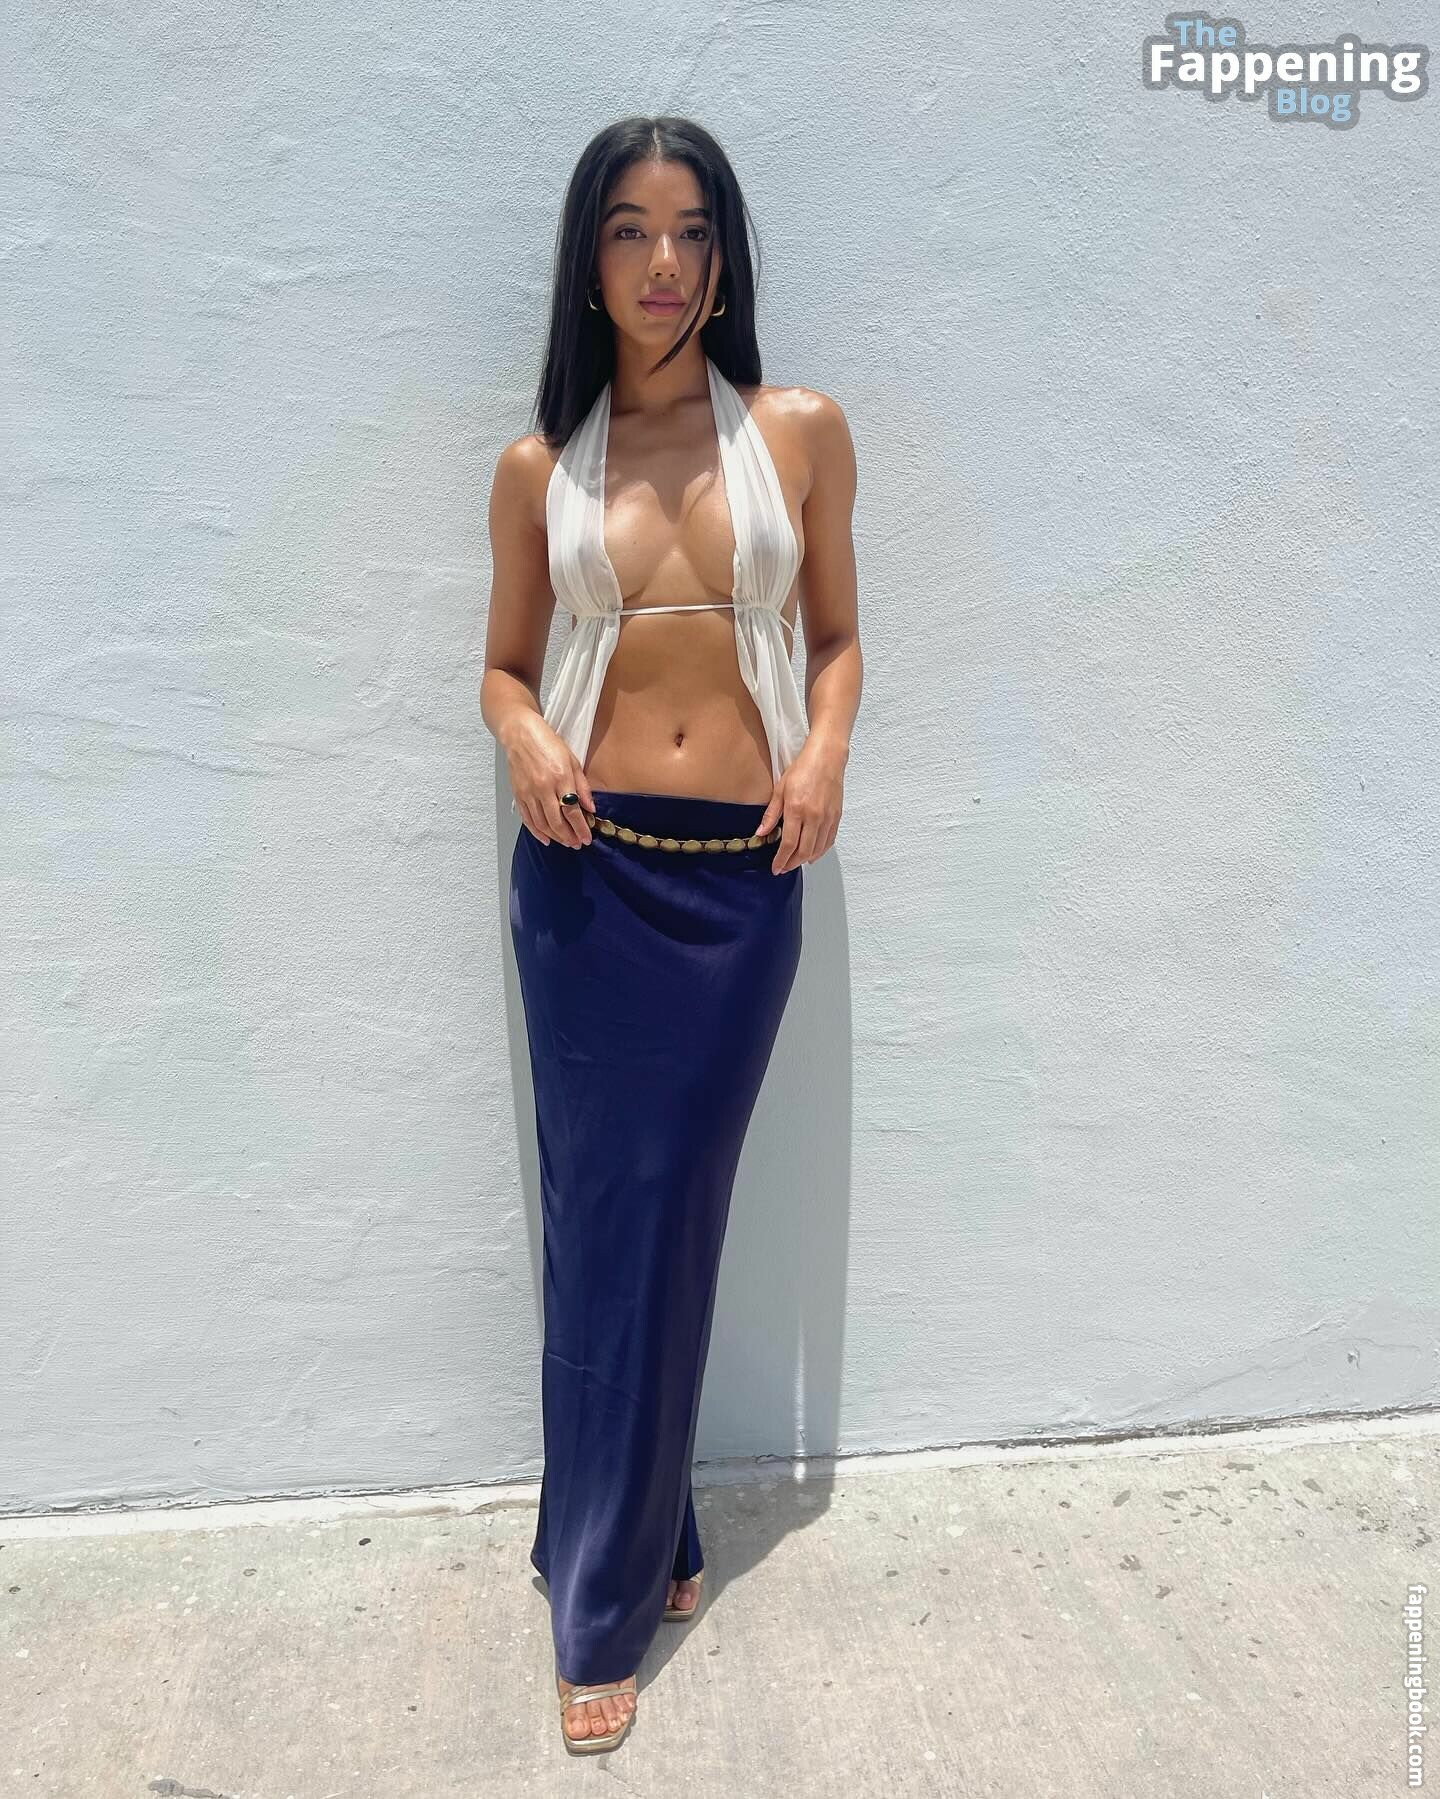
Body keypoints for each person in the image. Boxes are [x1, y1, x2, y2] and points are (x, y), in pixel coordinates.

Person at [480, 114, 862, 1753]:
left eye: (692, 230)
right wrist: (523, 735)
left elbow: (836, 637)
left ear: (726, 256)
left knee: (669, 1216)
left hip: (737, 889)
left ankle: (635, 1529)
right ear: (589, 260)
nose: (663, 263)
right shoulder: (539, 469)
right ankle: (610, 1586)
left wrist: (825, 752)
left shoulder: (799, 432)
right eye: (630, 231)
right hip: (585, 882)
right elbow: (503, 666)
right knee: (605, 1225)